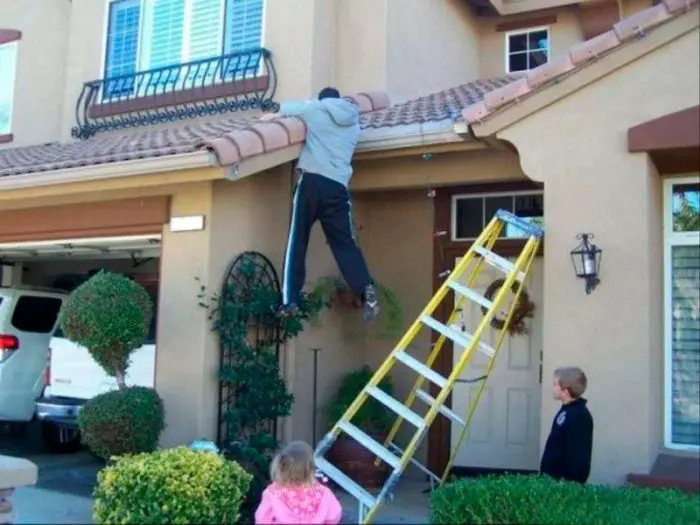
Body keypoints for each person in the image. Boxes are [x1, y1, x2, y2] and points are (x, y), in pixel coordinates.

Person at [260, 87, 379, 323]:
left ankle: (290, 301)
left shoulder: (315, 108)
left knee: (298, 240)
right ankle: (367, 292)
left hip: (312, 183)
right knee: (345, 245)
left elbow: (280, 109)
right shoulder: (354, 123)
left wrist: (270, 116)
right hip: (338, 188)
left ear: (323, 99)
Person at [254, 441, 343, 524]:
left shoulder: (273, 492)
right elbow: (334, 516)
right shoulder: (323, 492)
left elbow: (262, 518)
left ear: (280, 467)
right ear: (310, 469)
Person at [540, 366, 594, 484]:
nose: (552, 388)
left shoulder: (579, 416)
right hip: (552, 479)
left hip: (563, 484)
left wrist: (569, 482)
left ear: (565, 391)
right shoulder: (567, 411)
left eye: (555, 385)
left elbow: (578, 454)